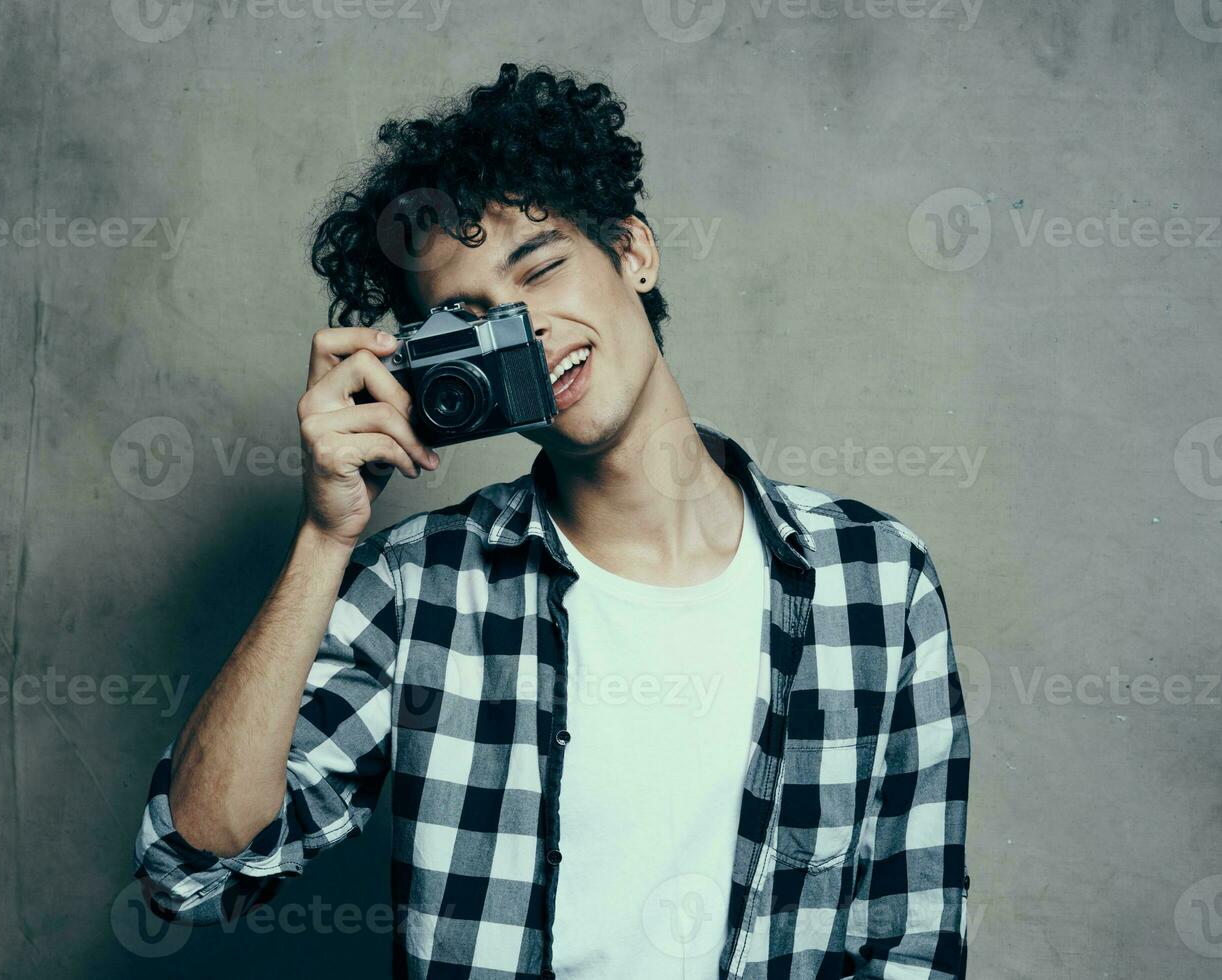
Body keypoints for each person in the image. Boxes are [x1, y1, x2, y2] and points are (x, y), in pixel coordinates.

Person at [132, 62, 970, 980]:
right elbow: (191, 871)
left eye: (541, 268)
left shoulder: (874, 580)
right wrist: (322, 538)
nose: (524, 329)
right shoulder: (420, 590)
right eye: (471, 320)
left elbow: (913, 944)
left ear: (634, 252)